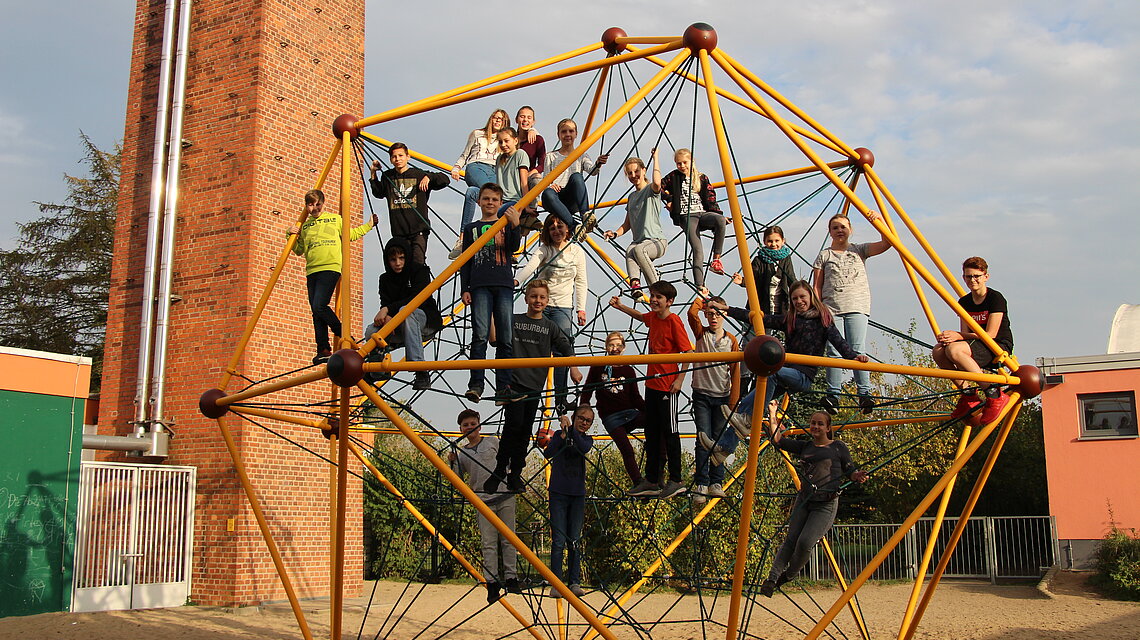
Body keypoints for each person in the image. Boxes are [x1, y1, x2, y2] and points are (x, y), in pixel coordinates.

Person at [700, 280, 868, 465]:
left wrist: (854, 356)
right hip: (786, 373)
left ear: (811, 296)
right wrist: (726, 309)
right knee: (747, 403)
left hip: (803, 376)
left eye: (802, 297)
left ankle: (747, 419)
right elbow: (757, 318)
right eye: (794, 298)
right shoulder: (790, 319)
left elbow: (839, 342)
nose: (799, 301)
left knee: (770, 374)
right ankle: (722, 449)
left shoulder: (823, 320)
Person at [484, 280, 581, 494]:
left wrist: (573, 369)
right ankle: (501, 469)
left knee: (525, 429)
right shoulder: (514, 320)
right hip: (514, 383)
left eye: (542, 297)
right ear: (526, 298)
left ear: (547, 301)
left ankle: (515, 473)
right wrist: (492, 311)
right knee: (513, 425)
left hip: (534, 386)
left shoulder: (550, 327)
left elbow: (566, 347)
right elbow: (494, 339)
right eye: (534, 296)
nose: (538, 300)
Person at [758, 410, 868, 597]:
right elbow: (778, 440)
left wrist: (857, 476)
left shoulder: (838, 447)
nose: (815, 427)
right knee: (790, 540)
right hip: (805, 499)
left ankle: (790, 575)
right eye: (813, 423)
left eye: (820, 424)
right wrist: (772, 414)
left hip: (825, 504)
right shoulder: (805, 446)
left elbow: (850, 469)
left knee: (805, 542)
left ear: (828, 428)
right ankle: (771, 579)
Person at [609, 280, 693, 498]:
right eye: (652, 296)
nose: (653, 300)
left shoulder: (674, 321)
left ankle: (676, 479)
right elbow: (641, 317)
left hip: (668, 386)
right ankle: (652, 479)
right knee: (652, 432)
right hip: (652, 384)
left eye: (658, 297)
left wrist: (679, 380)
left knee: (670, 431)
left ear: (670, 301)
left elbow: (688, 353)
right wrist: (620, 307)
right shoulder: (654, 318)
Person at [812, 212, 890, 415]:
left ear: (850, 230)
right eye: (835, 227)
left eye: (843, 227)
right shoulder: (824, 255)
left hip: (857, 305)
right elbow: (817, 286)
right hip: (831, 308)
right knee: (834, 351)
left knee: (857, 349)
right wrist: (819, 309)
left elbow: (887, 242)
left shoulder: (860, 250)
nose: (839, 230)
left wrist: (877, 221)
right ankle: (833, 395)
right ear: (829, 232)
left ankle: (864, 393)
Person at [287, 189, 377, 363]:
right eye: (310, 205)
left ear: (323, 202)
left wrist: (369, 225)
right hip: (312, 270)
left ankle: (344, 334)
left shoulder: (335, 219)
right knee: (316, 311)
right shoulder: (305, 226)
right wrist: (289, 235)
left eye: (317, 204)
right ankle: (323, 349)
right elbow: (298, 250)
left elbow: (350, 235)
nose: (314, 208)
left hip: (330, 267)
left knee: (319, 306)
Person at [515, 215, 588, 413]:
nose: (556, 231)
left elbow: (581, 281)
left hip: (563, 306)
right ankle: (527, 392)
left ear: (568, 229)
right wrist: (516, 281)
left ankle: (560, 400)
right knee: (534, 350)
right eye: (552, 227)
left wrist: (581, 307)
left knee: (562, 352)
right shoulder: (544, 250)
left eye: (560, 226)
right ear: (547, 231)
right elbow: (530, 266)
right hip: (541, 304)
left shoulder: (576, 252)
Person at [448, 409, 521, 604]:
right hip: (483, 501)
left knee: (509, 539)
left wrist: (513, 475)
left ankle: (511, 577)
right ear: (460, 429)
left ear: (479, 425)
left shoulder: (493, 442)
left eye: (473, 424)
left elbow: (510, 459)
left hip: (504, 496)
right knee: (488, 544)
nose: (470, 428)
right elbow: (457, 479)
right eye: (466, 425)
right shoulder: (461, 452)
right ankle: (492, 583)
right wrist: (452, 463)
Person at [933, 257, 1013, 425]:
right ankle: (968, 394)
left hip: (997, 346)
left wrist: (958, 336)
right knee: (939, 350)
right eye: (969, 277)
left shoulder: (995, 298)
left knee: (954, 350)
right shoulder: (964, 302)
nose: (973, 280)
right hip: (976, 345)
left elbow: (990, 334)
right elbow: (966, 332)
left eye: (977, 276)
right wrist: (951, 338)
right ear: (964, 278)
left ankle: (993, 393)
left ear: (986, 277)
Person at [460, 184, 522, 403]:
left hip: (503, 284)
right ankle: (476, 384)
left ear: (500, 202)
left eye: (494, 200)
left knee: (505, 337)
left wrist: (515, 226)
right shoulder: (471, 228)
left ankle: (504, 387)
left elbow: (513, 248)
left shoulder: (504, 223)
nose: (490, 203)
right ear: (479, 202)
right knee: (480, 335)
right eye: (486, 199)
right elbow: (465, 261)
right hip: (479, 285)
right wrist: (464, 288)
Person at [364, 237, 442, 390]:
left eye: (401, 258)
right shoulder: (385, 279)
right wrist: (387, 316)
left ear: (407, 257)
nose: (397, 263)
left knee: (405, 311)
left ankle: (420, 370)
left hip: (424, 322)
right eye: (393, 259)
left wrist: (388, 310)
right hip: (401, 326)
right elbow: (385, 302)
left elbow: (417, 298)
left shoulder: (419, 271)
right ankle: (378, 368)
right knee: (371, 331)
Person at [687, 289, 741, 504]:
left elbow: (735, 371)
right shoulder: (701, 334)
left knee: (719, 441)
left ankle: (716, 482)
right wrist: (703, 299)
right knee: (703, 438)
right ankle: (701, 482)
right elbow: (692, 314)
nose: (714, 317)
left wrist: (733, 402)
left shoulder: (731, 340)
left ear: (725, 315)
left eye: (718, 313)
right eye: (710, 314)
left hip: (721, 397)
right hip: (701, 394)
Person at [578, 331, 647, 490]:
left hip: (630, 413)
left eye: (618, 345)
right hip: (611, 417)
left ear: (623, 348)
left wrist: (650, 410)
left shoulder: (628, 370)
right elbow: (587, 389)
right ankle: (638, 482)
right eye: (611, 345)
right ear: (606, 346)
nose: (615, 348)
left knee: (657, 425)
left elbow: (635, 397)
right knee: (627, 449)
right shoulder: (598, 366)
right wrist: (583, 409)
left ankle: (654, 475)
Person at [543, 405, 595, 599]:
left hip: (577, 493)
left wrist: (571, 431)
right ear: (574, 417)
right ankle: (556, 584)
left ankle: (574, 582)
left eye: (587, 420)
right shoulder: (559, 434)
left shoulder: (586, 438)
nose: (583, 422)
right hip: (558, 492)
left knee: (574, 539)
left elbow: (582, 448)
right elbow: (549, 453)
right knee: (558, 540)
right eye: (581, 418)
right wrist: (563, 435)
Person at [368, 142, 449, 265]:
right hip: (398, 232)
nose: (398, 159)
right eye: (394, 157)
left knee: (417, 263)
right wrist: (373, 174)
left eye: (401, 155)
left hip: (419, 230)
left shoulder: (418, 174)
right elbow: (378, 193)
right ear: (390, 160)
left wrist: (429, 177)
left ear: (408, 157)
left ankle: (423, 284)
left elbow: (444, 179)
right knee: (402, 267)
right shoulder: (388, 177)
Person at [661, 148, 727, 288]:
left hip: (702, 213)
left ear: (692, 161)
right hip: (686, 216)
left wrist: (718, 214)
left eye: (685, 162)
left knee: (720, 221)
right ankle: (700, 285)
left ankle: (716, 260)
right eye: (679, 163)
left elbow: (710, 198)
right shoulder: (673, 176)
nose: (682, 166)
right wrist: (669, 199)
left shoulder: (701, 177)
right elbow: (657, 187)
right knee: (698, 249)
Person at [603, 149, 666, 293]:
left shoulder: (651, 190)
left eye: (636, 171)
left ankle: (657, 290)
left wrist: (655, 158)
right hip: (639, 243)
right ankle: (635, 285)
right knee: (630, 250)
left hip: (656, 241)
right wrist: (614, 234)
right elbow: (627, 224)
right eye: (629, 173)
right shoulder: (631, 197)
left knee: (638, 250)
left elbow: (657, 182)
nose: (633, 175)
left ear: (644, 171)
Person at [540, 118, 608, 236]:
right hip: (555, 198)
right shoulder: (551, 156)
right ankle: (574, 226)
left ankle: (585, 215)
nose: (567, 134)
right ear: (559, 135)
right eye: (564, 131)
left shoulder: (581, 155)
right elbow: (545, 179)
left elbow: (592, 171)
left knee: (576, 176)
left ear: (576, 134)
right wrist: (551, 185)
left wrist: (598, 163)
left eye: (571, 131)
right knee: (547, 193)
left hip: (572, 198)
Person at [733, 225, 798, 318]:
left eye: (777, 241)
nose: (773, 244)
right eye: (770, 241)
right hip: (762, 306)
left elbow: (790, 278)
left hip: (780, 306)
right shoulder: (759, 260)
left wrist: (801, 289)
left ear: (783, 241)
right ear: (764, 242)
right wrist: (742, 281)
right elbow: (753, 279)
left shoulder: (786, 258)